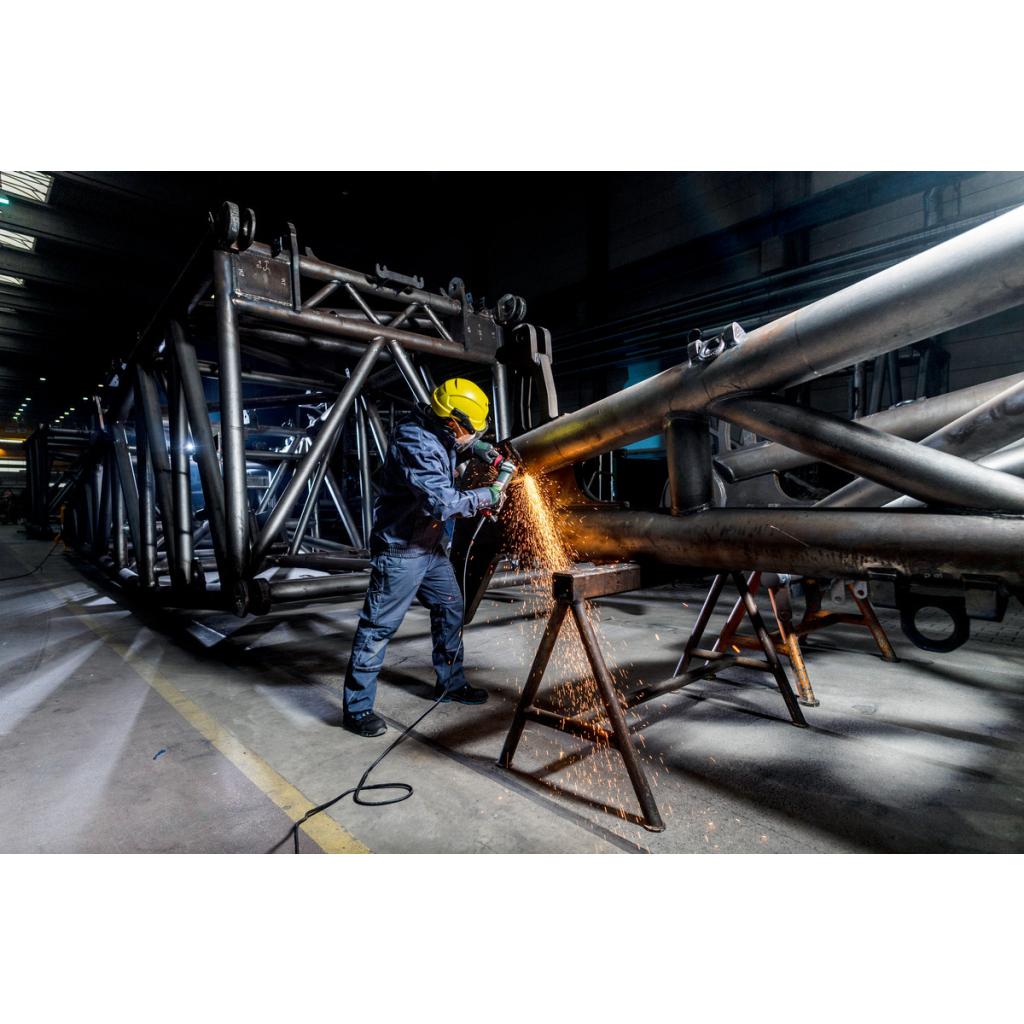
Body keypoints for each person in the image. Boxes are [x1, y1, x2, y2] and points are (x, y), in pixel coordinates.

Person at [342, 378, 504, 737]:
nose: (471, 435)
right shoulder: (415, 441)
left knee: (451, 607)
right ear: (453, 421)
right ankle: (356, 709)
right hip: (400, 551)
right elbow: (442, 504)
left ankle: (451, 684)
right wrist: (488, 495)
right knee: (377, 628)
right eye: (470, 430)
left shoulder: (439, 429)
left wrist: (479, 449)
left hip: (428, 548)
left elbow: (455, 449)